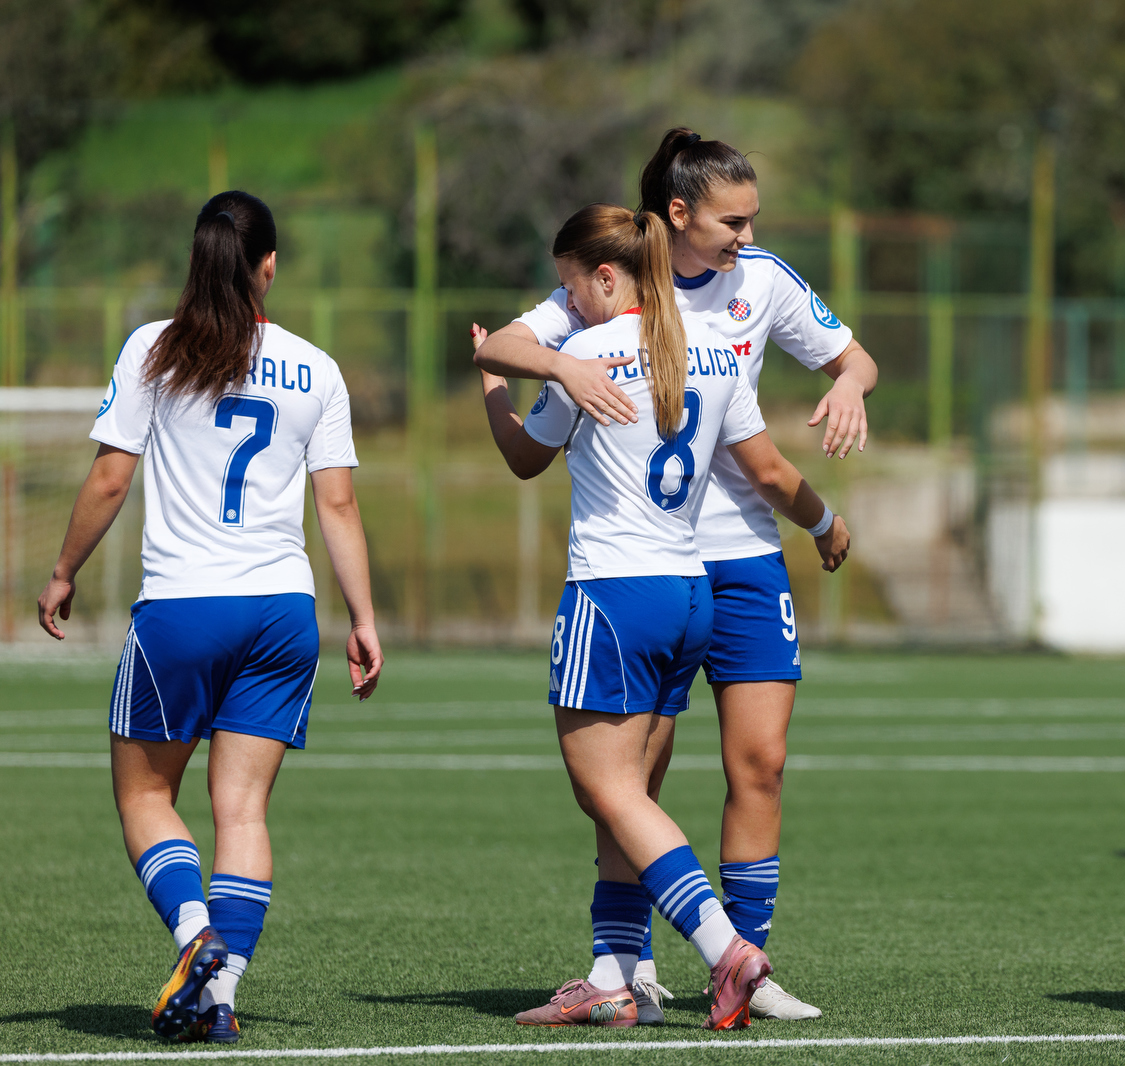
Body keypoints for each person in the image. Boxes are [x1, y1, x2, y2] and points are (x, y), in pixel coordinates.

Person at [474, 127, 877, 1022]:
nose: (746, 236)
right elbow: (512, 342)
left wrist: (850, 383)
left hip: (683, 569)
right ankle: (624, 969)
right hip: (685, 566)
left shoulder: (758, 283)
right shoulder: (607, 289)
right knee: (635, 778)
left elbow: (839, 375)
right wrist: (555, 362)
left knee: (740, 767)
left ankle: (738, 960)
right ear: (677, 214)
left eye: (752, 220)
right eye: (732, 220)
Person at [37, 191, 383, 1044]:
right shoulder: (316, 367)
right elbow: (336, 507)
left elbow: (112, 478)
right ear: (269, 266)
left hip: (185, 608)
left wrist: (62, 571)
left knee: (145, 793)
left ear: (197, 263)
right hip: (283, 612)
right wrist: (364, 618)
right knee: (243, 812)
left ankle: (196, 939)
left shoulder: (155, 349)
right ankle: (219, 999)